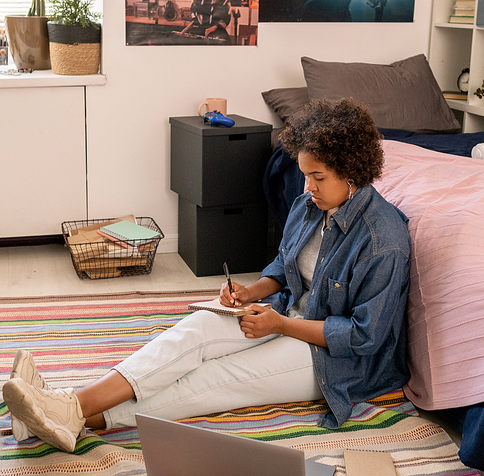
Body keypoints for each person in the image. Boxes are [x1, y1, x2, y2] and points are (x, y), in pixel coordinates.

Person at [3, 98, 411, 453]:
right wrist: (251, 291)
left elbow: (364, 336)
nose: (307, 187)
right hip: (285, 315)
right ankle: (65, 407)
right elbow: (284, 268)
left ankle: (66, 414)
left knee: (215, 378)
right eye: (305, 174)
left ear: (352, 171)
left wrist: (281, 324)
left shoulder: (383, 240)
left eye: (317, 177)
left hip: (334, 358)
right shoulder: (309, 205)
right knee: (197, 328)